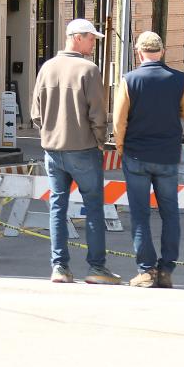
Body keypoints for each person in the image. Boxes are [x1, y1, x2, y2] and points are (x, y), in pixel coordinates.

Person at [30, 18, 120, 285]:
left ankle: (59, 267)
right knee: (93, 208)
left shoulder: (47, 68)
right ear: (77, 37)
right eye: (91, 38)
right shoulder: (88, 70)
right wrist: (100, 141)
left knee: (58, 207)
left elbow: (36, 112)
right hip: (83, 148)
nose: (94, 42)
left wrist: (48, 133)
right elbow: (97, 113)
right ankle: (96, 268)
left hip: (52, 149)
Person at [113, 31, 184, 289]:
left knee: (140, 214)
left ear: (139, 52)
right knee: (170, 214)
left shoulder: (130, 80)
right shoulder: (177, 79)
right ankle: (167, 269)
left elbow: (119, 121)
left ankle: (146, 270)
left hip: (137, 154)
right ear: (162, 51)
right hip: (167, 156)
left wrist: (120, 146)